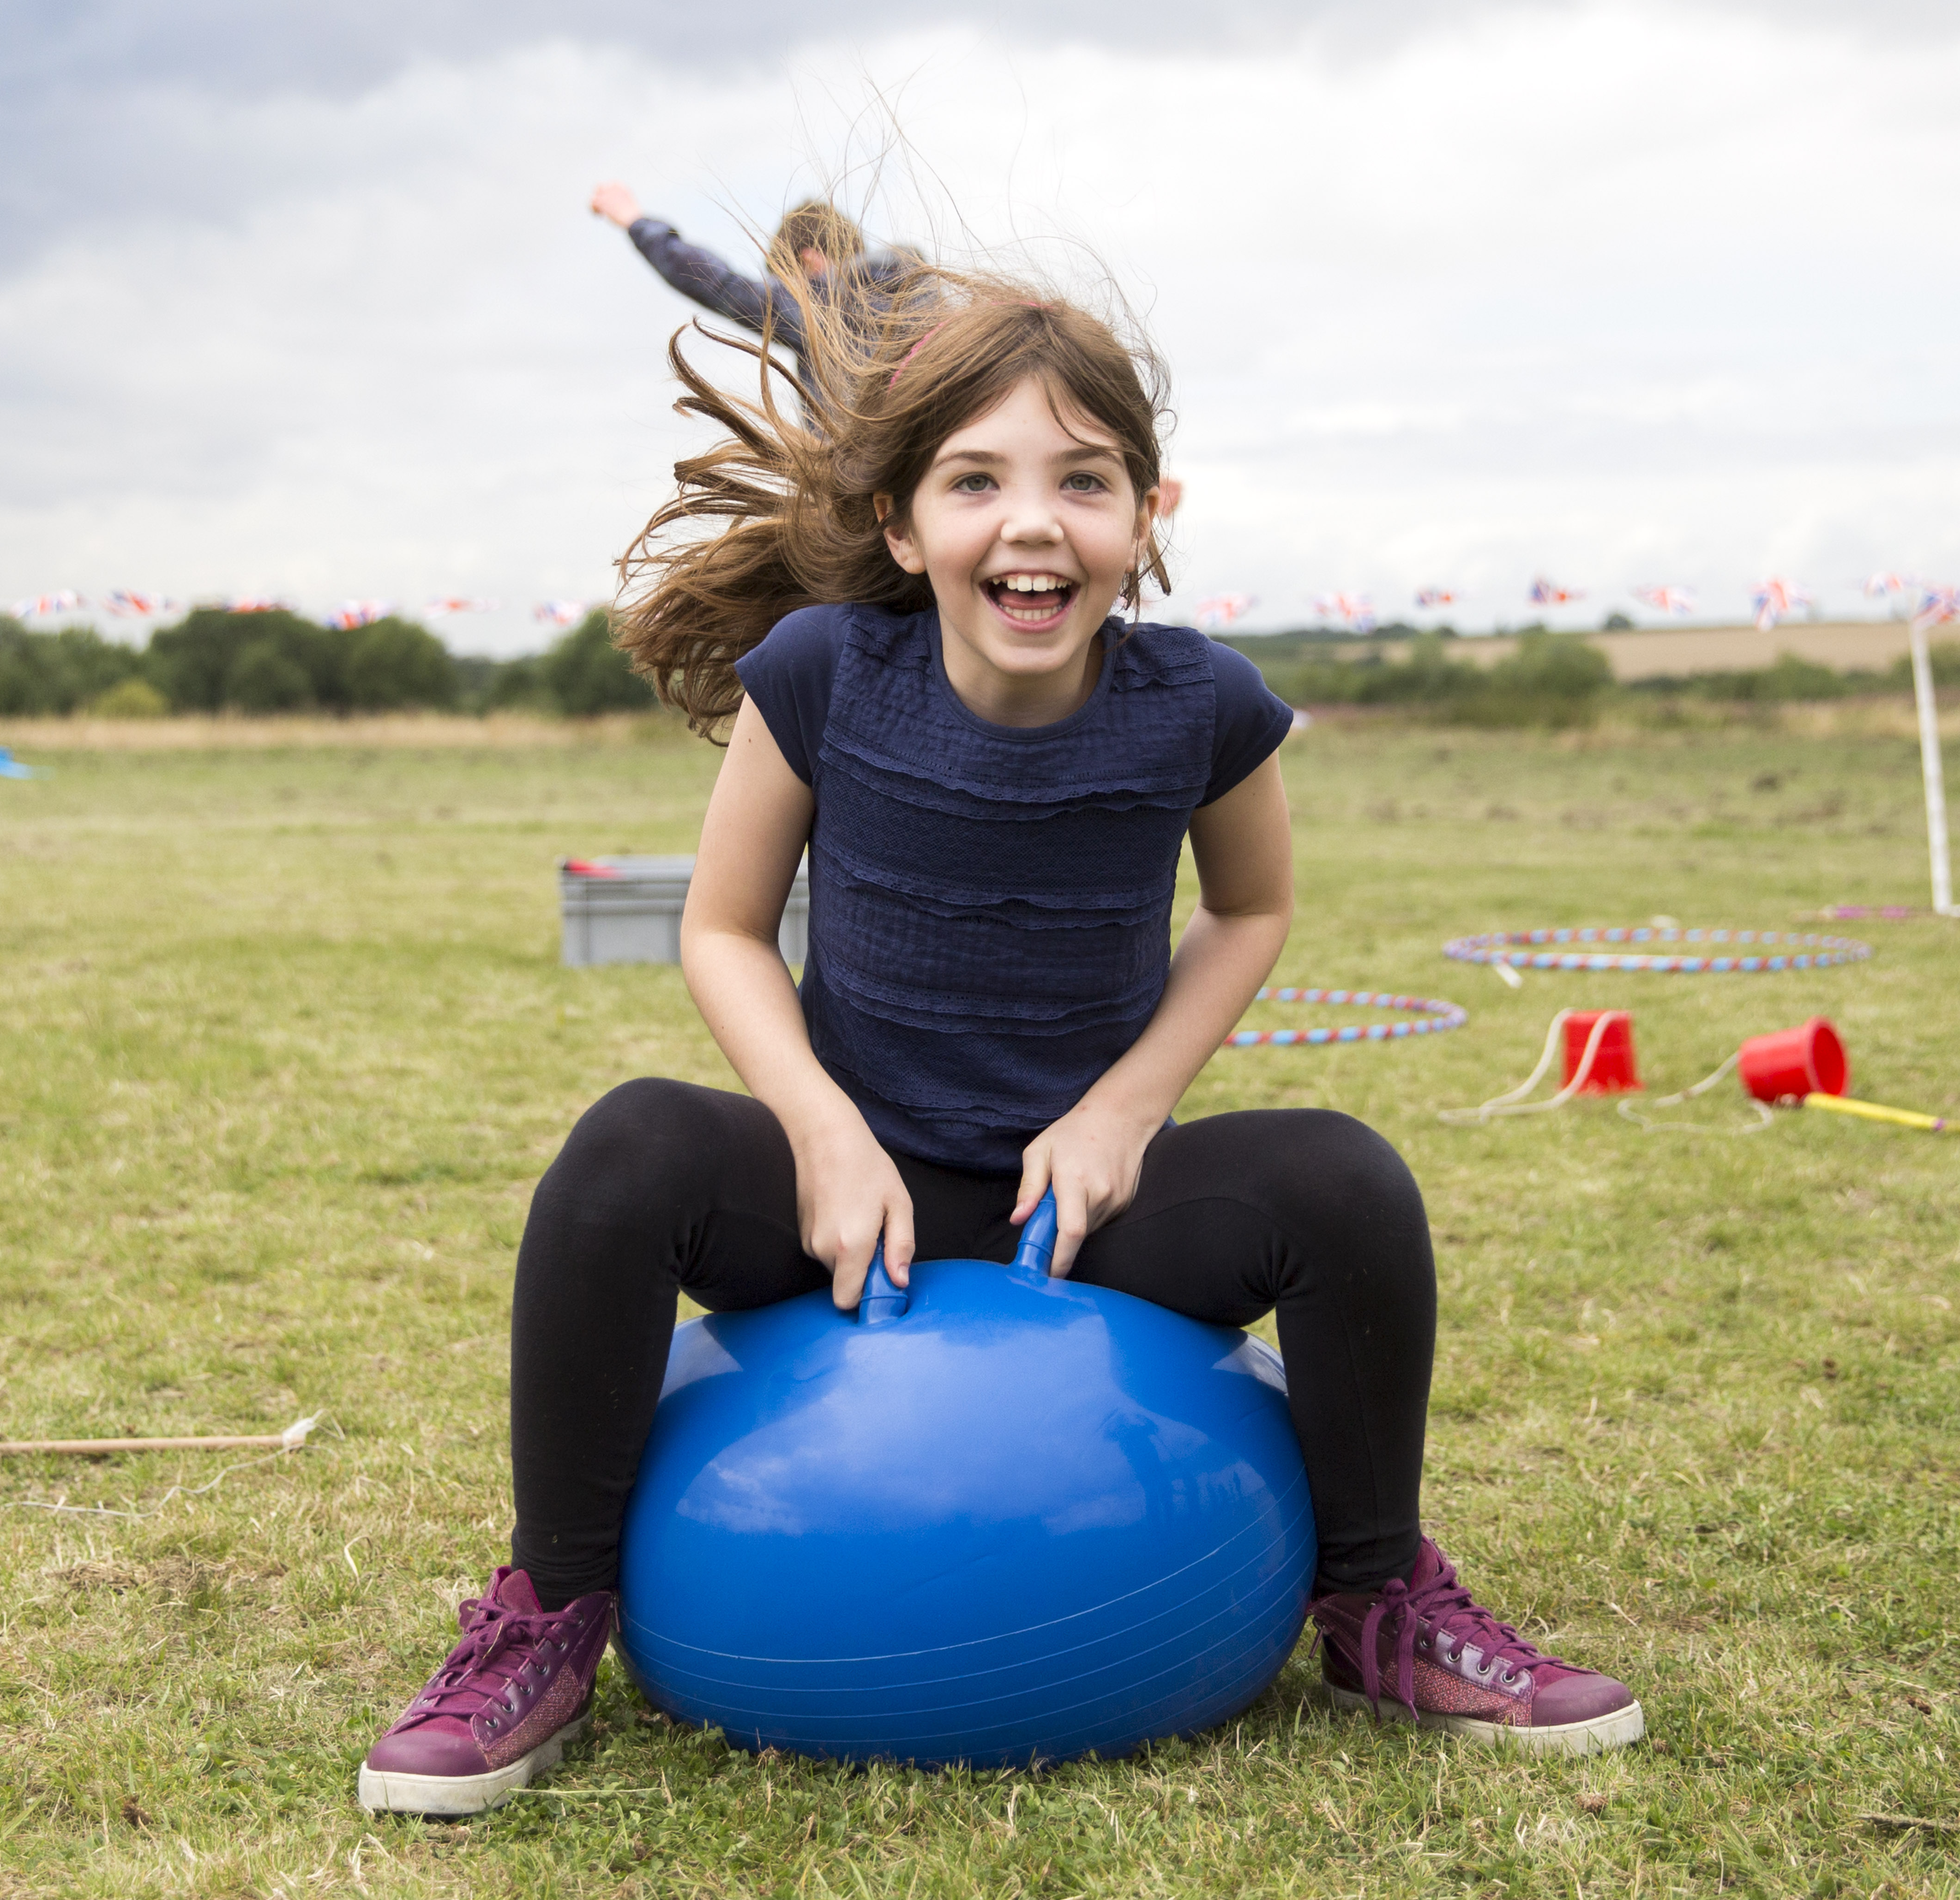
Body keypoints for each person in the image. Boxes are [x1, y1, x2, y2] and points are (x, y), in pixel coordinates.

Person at [354, 264, 1642, 1818]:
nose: (1034, 522)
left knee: (1346, 1181)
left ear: (1149, 513)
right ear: (906, 528)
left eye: (1082, 481)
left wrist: (1123, 1115)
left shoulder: (1203, 704)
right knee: (628, 1148)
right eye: (979, 480)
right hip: (851, 1199)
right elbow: (721, 926)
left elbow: (1249, 912)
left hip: (1079, 1209)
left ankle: (1378, 1604)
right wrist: (823, 1130)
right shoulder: (826, 675)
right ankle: (550, 1616)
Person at [590, 182, 912, 409]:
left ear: (810, 261)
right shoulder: (922, 291)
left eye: (785, 281)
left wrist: (634, 221)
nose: (784, 292)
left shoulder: (822, 307)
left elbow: (720, 285)